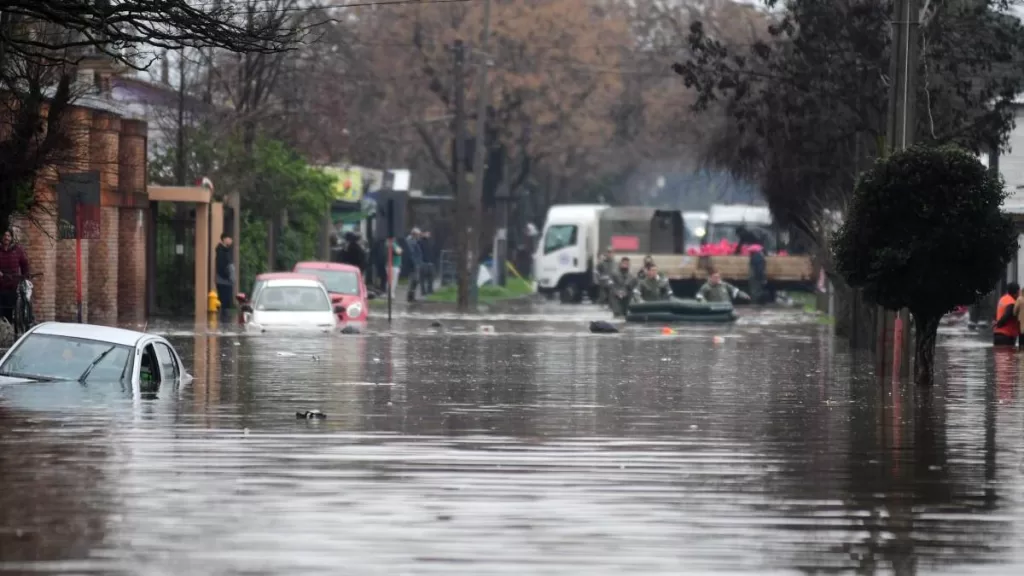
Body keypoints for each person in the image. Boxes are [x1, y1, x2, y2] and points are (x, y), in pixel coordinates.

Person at [0, 229, 30, 325]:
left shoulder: (17, 250)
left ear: (11, 238)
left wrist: (25, 277)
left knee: (10, 309)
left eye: (8, 236)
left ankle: (9, 329)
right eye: (5, 235)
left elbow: (24, 264)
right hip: (1, 283)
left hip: (13, 284)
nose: (6, 238)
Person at [214, 233, 234, 322]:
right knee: (225, 301)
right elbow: (221, 266)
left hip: (226, 280)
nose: (231, 241)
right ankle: (224, 321)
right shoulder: (221, 251)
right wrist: (228, 276)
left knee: (226, 301)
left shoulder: (225, 250)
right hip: (224, 281)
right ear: (224, 239)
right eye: (230, 238)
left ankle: (224, 320)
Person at [993, 282, 1020, 346]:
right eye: (1018, 292)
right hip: (1006, 336)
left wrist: (996, 325)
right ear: (1016, 292)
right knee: (1007, 355)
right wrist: (999, 324)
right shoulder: (1012, 303)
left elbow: (996, 314)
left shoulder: (1003, 299)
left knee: (999, 355)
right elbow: (1006, 316)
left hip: (997, 335)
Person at [404, 227, 423, 302]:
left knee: (415, 280)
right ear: (415, 235)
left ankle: (412, 296)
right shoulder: (411, 242)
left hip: (415, 263)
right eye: (418, 235)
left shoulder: (413, 241)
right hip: (413, 264)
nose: (419, 236)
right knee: (414, 280)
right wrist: (415, 263)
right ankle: (410, 297)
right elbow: (411, 254)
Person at [419, 230, 435, 296]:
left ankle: (430, 290)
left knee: (430, 277)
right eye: (427, 233)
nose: (428, 235)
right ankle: (423, 291)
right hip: (423, 262)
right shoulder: (420, 242)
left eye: (429, 234)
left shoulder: (430, 242)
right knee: (422, 278)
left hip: (430, 262)